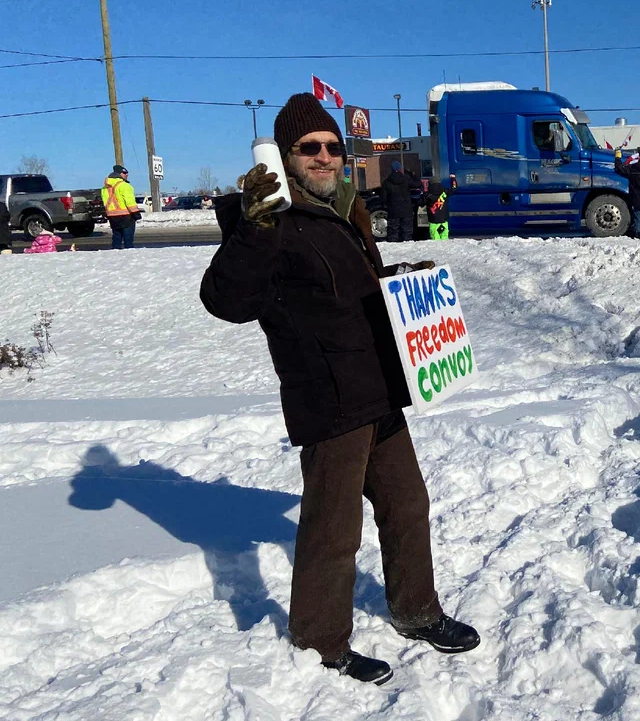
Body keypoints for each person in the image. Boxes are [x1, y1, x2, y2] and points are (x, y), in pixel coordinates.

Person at [199, 93, 478, 686]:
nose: (325, 157)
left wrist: (398, 284)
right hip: (328, 397)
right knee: (334, 528)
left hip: (379, 385)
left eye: (332, 147)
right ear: (284, 156)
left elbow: (349, 288)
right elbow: (227, 301)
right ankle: (320, 639)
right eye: (310, 148)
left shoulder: (344, 209)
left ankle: (416, 611)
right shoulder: (269, 222)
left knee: (408, 506)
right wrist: (254, 226)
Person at [103, 164, 141, 249]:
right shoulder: (125, 186)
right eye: (124, 172)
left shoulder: (105, 188)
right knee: (128, 241)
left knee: (116, 238)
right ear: (119, 174)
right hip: (126, 216)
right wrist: (136, 213)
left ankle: (116, 256)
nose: (127, 174)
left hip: (112, 217)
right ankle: (129, 257)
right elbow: (129, 201)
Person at [382, 161, 417, 242]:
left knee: (393, 231)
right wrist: (414, 175)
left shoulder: (386, 182)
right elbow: (417, 184)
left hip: (393, 210)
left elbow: (383, 198)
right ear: (400, 169)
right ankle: (406, 245)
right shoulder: (406, 179)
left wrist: (387, 205)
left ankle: (394, 245)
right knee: (407, 231)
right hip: (406, 209)